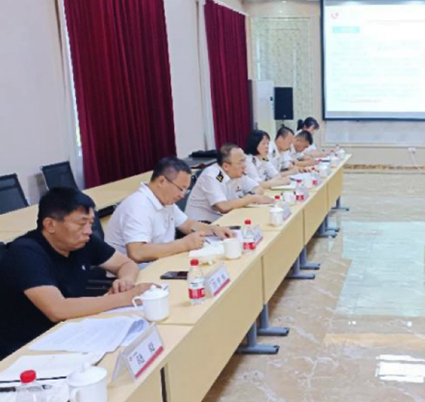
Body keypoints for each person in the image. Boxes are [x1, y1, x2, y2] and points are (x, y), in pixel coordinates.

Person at [0, 188, 152, 358]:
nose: (89, 231)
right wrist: (126, 298)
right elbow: (57, 310)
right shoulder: (25, 253)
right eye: (81, 223)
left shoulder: (83, 241)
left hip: (70, 332)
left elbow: (126, 263)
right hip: (26, 349)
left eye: (90, 223)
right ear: (50, 225)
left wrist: (126, 280)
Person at [106, 157, 235, 265]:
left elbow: (188, 224)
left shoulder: (165, 200)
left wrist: (214, 230)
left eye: (186, 190)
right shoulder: (138, 205)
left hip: (160, 261)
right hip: (134, 273)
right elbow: (137, 253)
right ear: (162, 181)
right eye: (181, 189)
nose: (182, 195)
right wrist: (184, 244)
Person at [186, 143, 274, 222]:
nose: (244, 166)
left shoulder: (237, 173)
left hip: (224, 219)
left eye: (244, 161)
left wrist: (250, 195)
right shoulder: (212, 176)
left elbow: (258, 188)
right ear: (226, 166)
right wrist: (251, 198)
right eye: (240, 162)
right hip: (202, 224)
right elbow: (223, 207)